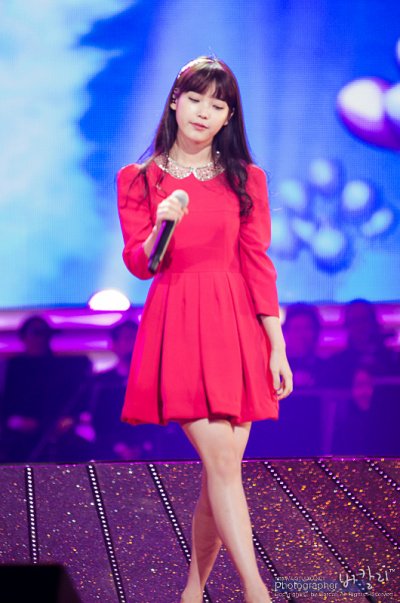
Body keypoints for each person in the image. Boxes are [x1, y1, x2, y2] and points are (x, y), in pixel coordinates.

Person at [116, 56, 293, 603]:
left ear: (228, 118)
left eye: (217, 105)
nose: (203, 112)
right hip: (179, 321)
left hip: (237, 326)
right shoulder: (140, 178)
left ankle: (193, 592)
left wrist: (276, 344)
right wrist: (164, 223)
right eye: (195, 99)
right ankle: (256, 591)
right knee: (221, 464)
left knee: (221, 472)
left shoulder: (246, 178)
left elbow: (257, 263)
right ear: (175, 101)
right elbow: (142, 263)